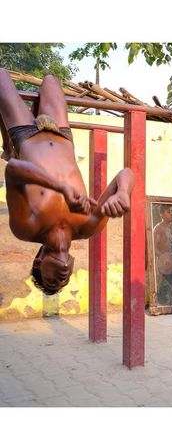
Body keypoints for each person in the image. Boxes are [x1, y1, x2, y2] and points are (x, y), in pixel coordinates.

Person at [0, 68, 135, 295]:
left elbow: (13, 169)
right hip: (61, 133)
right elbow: (127, 173)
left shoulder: (26, 229)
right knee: (51, 80)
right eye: (64, 283)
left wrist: (60, 186)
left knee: (1, 76)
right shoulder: (86, 227)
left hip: (24, 135)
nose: (62, 280)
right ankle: (9, 142)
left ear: (38, 263)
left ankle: (8, 143)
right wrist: (122, 193)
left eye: (53, 282)